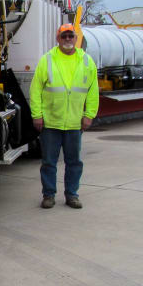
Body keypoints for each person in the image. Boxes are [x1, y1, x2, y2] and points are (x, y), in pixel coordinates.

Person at [29, 23, 99, 209]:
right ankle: (49, 195)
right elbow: (35, 90)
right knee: (49, 163)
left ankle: (72, 195)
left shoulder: (86, 61)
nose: (67, 39)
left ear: (76, 39)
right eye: (64, 36)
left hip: (75, 123)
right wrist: (37, 115)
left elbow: (93, 92)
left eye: (71, 36)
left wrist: (89, 115)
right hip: (51, 122)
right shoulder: (47, 60)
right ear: (58, 39)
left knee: (74, 162)